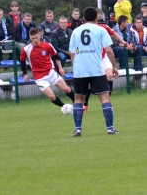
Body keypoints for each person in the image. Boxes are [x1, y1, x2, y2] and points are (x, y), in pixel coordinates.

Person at [69, 7, 119, 137]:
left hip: (80, 70)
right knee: (104, 97)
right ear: (97, 18)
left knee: (78, 99)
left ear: (83, 18)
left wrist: (76, 67)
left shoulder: (75, 31)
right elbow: (108, 51)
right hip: (96, 68)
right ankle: (110, 128)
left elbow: (72, 53)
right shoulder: (101, 30)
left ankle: (78, 129)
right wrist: (114, 66)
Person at [20, 27, 74, 109]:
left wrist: (60, 68)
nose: (35, 40)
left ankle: (77, 104)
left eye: (36, 38)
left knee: (66, 89)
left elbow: (56, 56)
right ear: (30, 37)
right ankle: (64, 107)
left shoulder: (47, 45)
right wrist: (25, 74)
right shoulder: (26, 49)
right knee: (52, 97)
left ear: (40, 35)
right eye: (32, 38)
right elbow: (22, 61)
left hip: (51, 73)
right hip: (39, 77)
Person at [83, 18, 127, 113]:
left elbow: (113, 33)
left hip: (103, 57)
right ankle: (85, 103)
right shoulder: (84, 30)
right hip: (92, 59)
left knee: (110, 75)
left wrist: (122, 41)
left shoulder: (103, 27)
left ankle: (107, 101)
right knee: (89, 84)